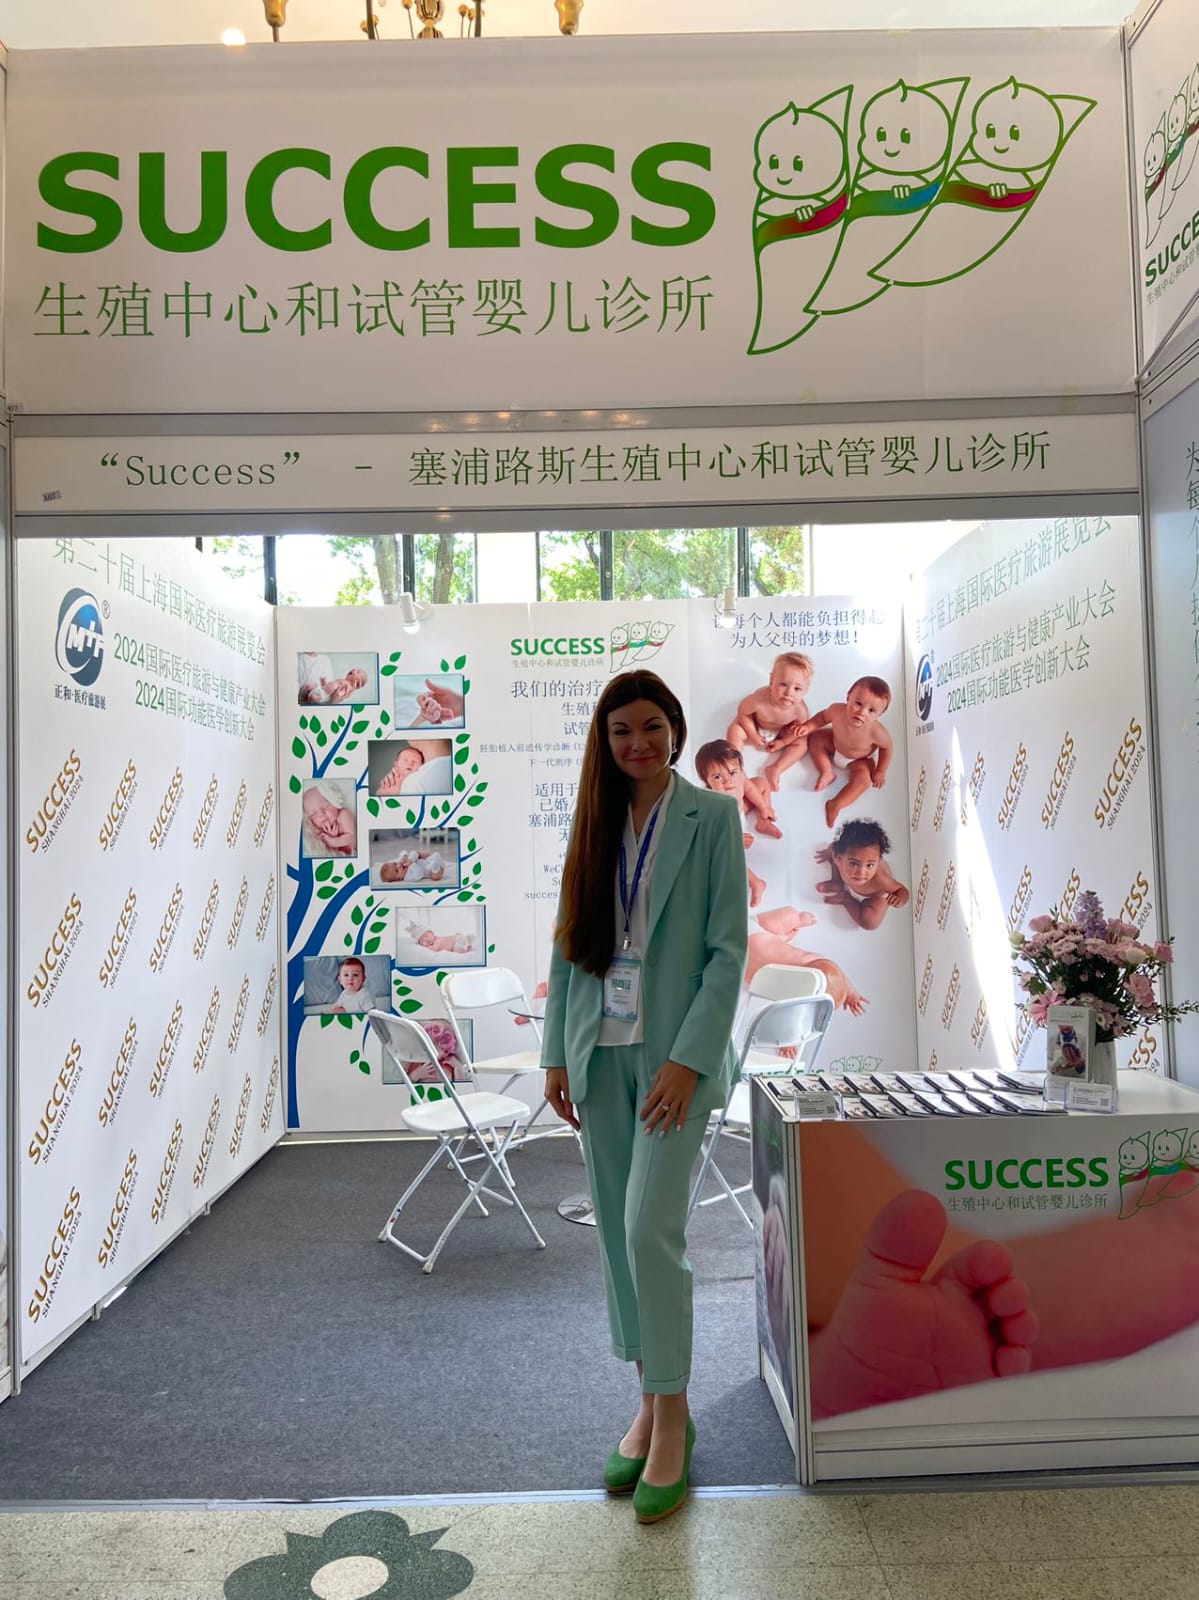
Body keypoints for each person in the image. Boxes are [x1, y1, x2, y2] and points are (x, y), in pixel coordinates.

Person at [541, 670, 748, 1525]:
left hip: (672, 1063)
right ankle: (653, 1404)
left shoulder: (711, 818)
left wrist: (688, 1061)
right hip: (598, 1056)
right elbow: (569, 942)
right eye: (621, 730)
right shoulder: (592, 818)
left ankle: (671, 1420)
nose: (638, 743)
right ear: (604, 739)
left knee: (646, 1233)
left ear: (675, 729)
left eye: (652, 726)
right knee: (617, 1244)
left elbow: (727, 953)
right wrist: (555, 1054)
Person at [798, 675, 893, 829]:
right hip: (835, 743)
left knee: (863, 781)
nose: (862, 712)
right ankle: (826, 771)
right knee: (815, 738)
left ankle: (835, 804)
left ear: (879, 714)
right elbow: (822, 717)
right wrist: (808, 726)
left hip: (859, 759)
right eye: (858, 703)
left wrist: (880, 771)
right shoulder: (837, 710)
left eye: (871, 710)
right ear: (848, 696)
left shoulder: (877, 732)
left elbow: (887, 748)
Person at [725, 652, 814, 790]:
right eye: (783, 684)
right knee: (735, 730)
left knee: (802, 743)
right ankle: (733, 765)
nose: (789, 693)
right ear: (772, 681)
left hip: (781, 731)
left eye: (797, 689)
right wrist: (752, 734)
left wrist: (783, 742)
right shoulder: (759, 699)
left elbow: (798, 731)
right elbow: (743, 712)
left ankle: (776, 768)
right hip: (755, 724)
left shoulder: (800, 711)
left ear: (805, 691)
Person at [815, 818, 910, 930]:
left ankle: (846, 899)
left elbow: (902, 891)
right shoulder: (837, 855)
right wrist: (828, 853)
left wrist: (899, 900)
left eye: (869, 865)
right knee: (835, 853)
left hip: (875, 895)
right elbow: (833, 847)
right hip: (844, 867)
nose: (861, 872)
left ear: (878, 860)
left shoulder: (881, 880)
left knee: (870, 923)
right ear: (838, 857)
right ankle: (836, 881)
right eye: (854, 864)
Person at [302, 782, 356, 856]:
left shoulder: (343, 815)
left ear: (334, 802)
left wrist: (333, 841)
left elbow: (352, 837)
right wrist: (331, 837)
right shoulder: (320, 831)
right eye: (313, 815)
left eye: (325, 807)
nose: (321, 814)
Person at [379, 848, 446, 884]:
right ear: (399, 879)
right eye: (397, 871)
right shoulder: (408, 877)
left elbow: (403, 851)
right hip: (432, 870)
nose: (398, 866)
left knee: (416, 853)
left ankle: (434, 858)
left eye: (395, 864)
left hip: (428, 860)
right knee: (435, 876)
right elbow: (419, 874)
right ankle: (435, 866)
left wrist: (405, 856)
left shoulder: (403, 862)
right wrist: (411, 864)